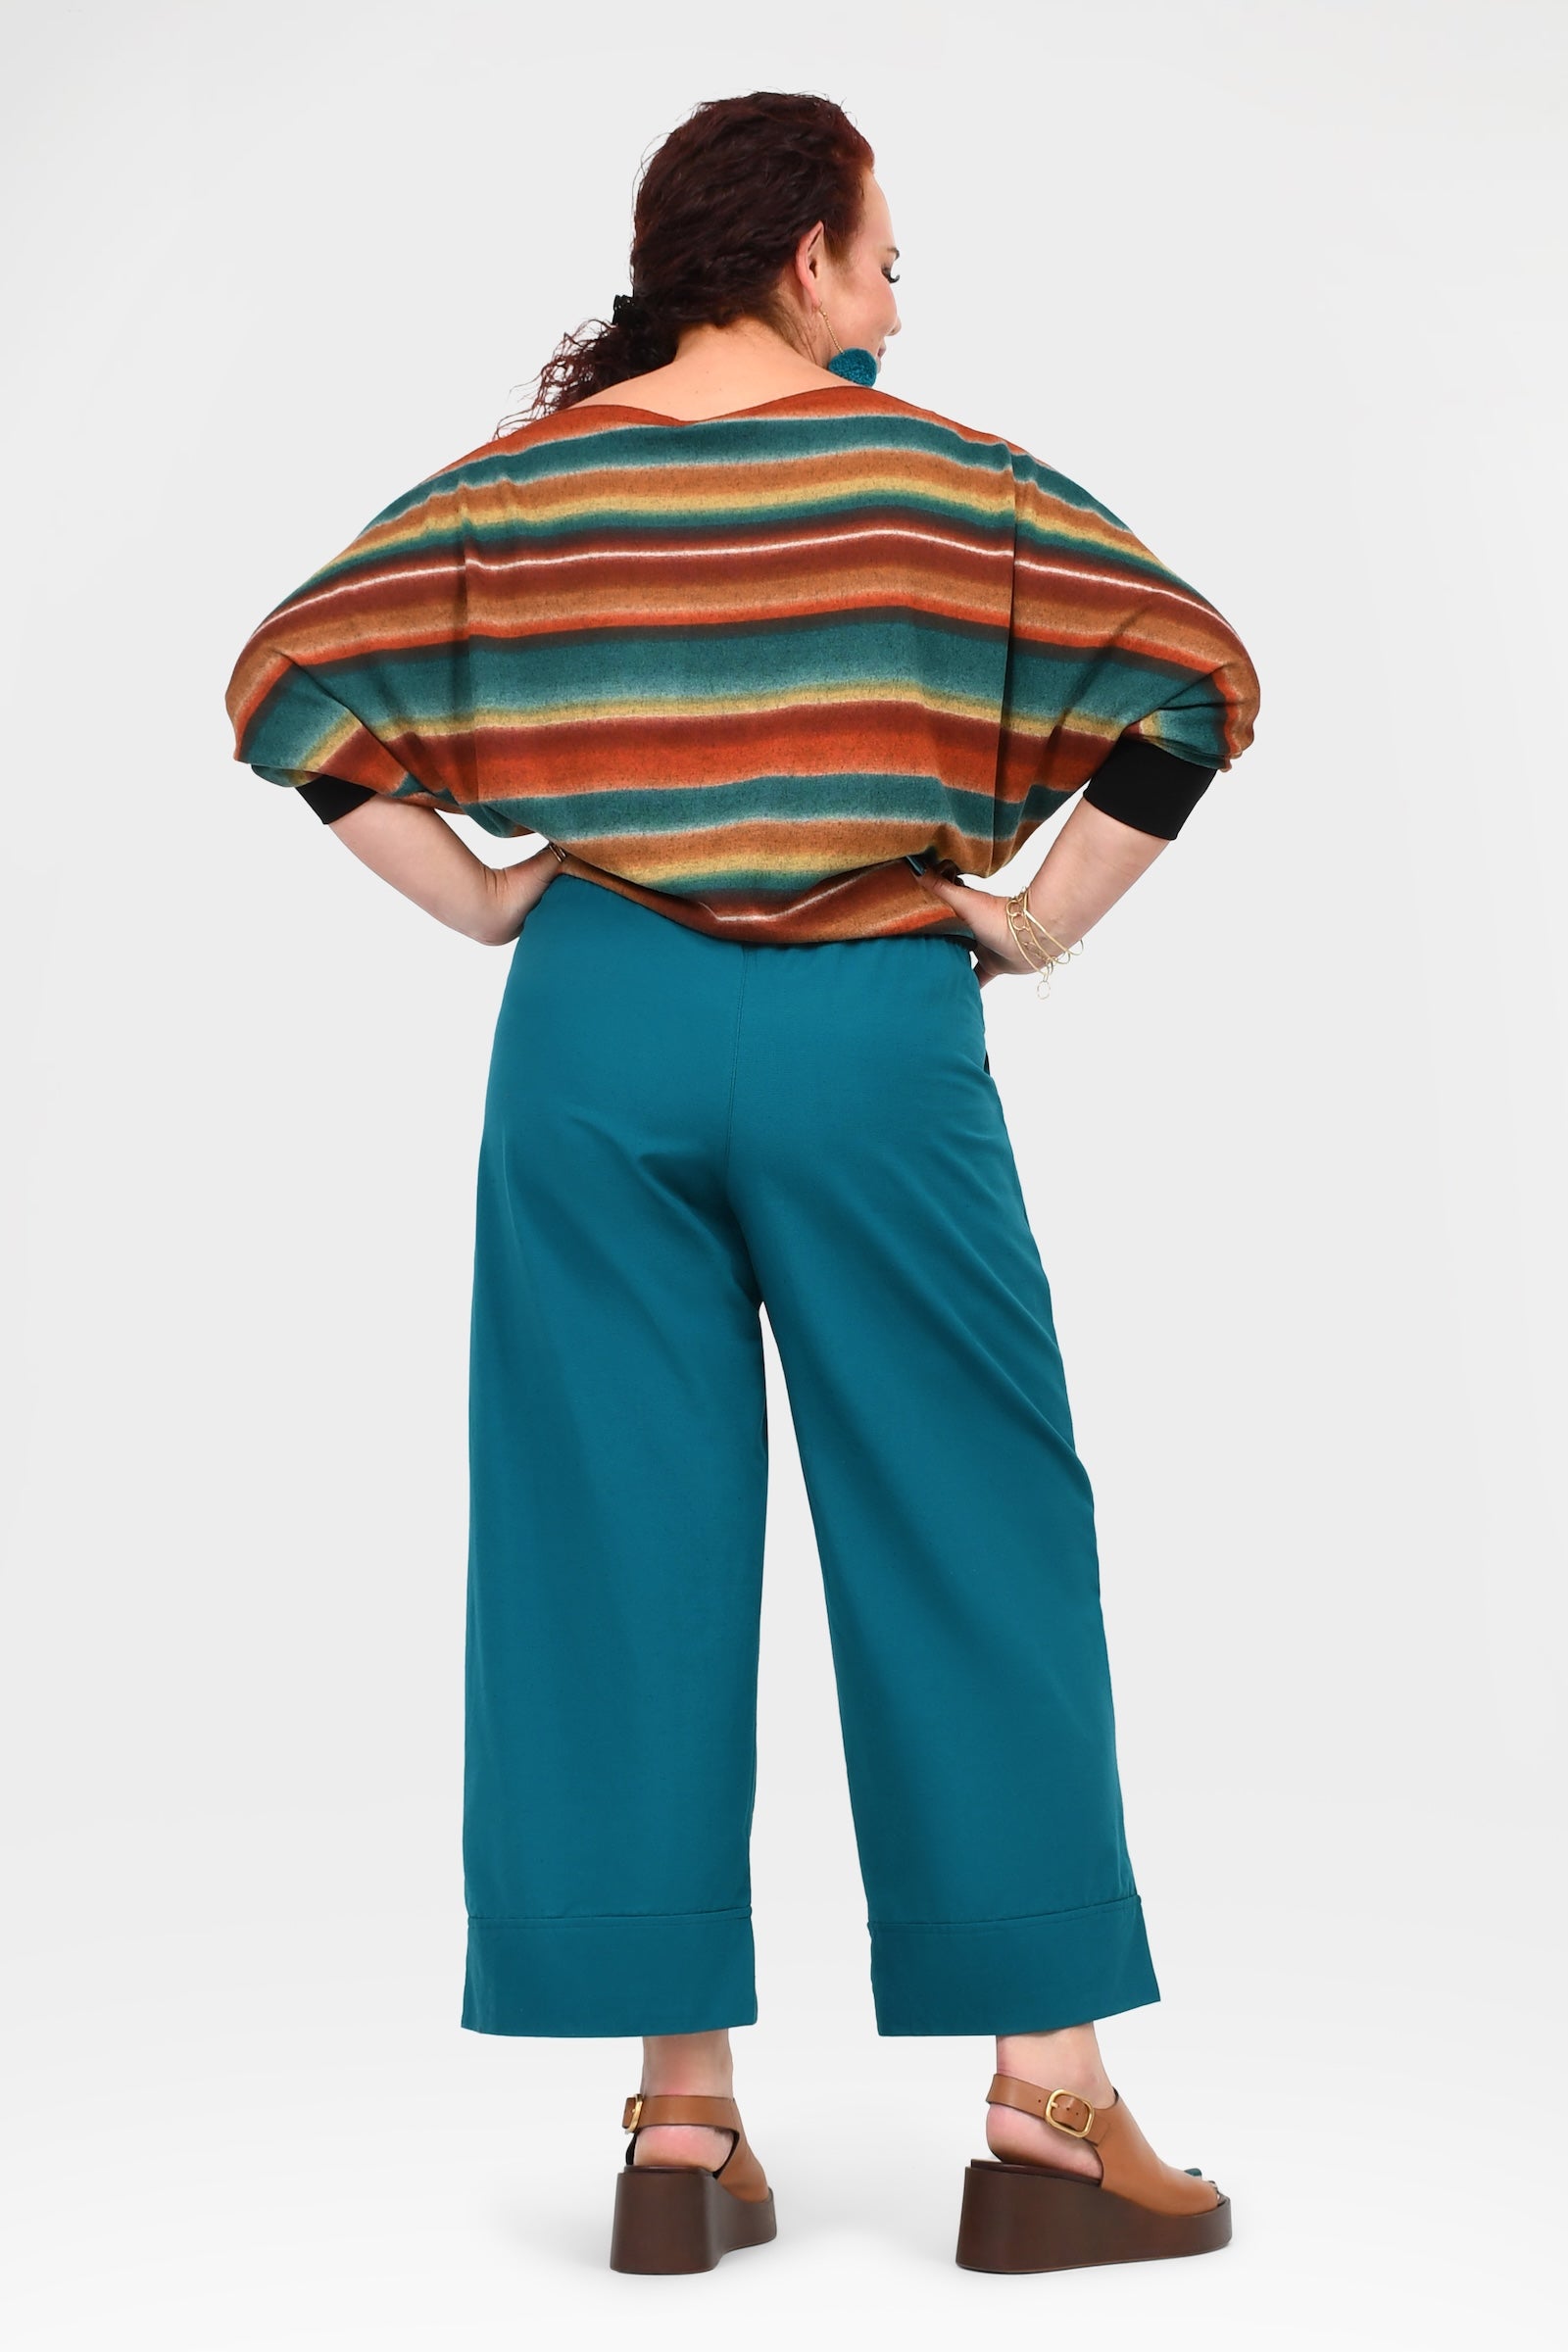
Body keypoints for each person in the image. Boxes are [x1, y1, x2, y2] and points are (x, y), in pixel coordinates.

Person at [223, 90, 1260, 2278]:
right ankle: (1049, 2106)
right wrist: (1036, 920)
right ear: (802, 256)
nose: (892, 304)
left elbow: (288, 689)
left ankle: (679, 2124)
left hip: (592, 1027)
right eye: (882, 260)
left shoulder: (520, 486)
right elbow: (1192, 684)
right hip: (869, 1027)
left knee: (612, 1539)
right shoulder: (944, 480)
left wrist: (484, 898)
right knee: (969, 1516)